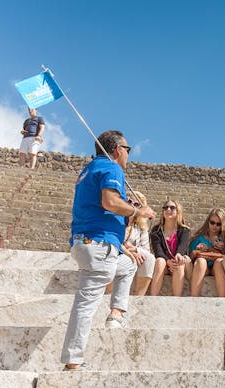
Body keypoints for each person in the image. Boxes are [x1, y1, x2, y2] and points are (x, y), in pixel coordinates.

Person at [61, 130, 156, 371]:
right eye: (128, 149)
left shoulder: (88, 170)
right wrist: (138, 212)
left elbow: (101, 206)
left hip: (89, 242)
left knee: (129, 264)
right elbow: (109, 202)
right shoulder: (113, 168)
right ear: (117, 150)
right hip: (98, 244)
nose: (128, 154)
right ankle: (73, 361)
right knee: (85, 304)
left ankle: (116, 314)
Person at [149, 200, 192, 296]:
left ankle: (176, 299)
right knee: (160, 261)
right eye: (166, 207)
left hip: (178, 263)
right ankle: (153, 297)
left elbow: (183, 247)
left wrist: (178, 254)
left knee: (179, 263)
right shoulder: (156, 230)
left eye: (172, 208)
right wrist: (168, 261)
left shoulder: (184, 230)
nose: (168, 209)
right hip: (164, 264)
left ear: (178, 212)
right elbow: (158, 251)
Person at [188, 208, 225, 297]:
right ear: (208, 221)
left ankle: (222, 299)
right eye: (212, 222)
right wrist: (198, 249)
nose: (214, 226)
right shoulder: (198, 238)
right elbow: (190, 257)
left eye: (218, 224)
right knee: (201, 261)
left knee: (219, 263)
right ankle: (193, 297)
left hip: (217, 267)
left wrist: (224, 249)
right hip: (202, 267)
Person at [123, 191, 156, 295]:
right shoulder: (117, 220)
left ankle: (139, 296)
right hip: (120, 251)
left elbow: (146, 250)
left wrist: (136, 249)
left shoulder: (141, 227)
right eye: (129, 201)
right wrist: (128, 249)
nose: (132, 205)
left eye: (136, 204)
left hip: (135, 255)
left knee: (150, 258)